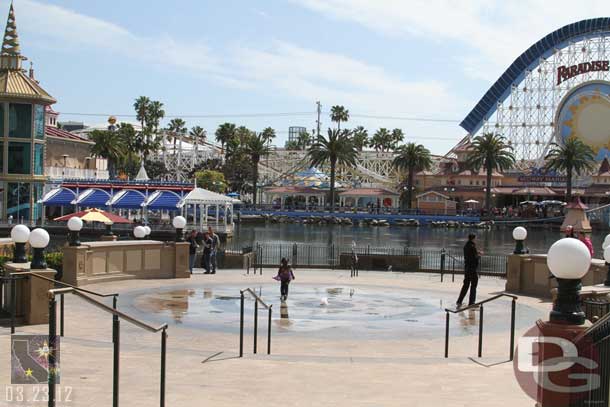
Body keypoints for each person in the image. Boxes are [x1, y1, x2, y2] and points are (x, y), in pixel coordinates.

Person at [456, 234, 481, 308]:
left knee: (465, 285)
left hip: (467, 268)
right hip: (472, 269)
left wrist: (477, 253)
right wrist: (479, 256)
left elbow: (469, 255)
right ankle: (472, 302)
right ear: (473, 238)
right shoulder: (473, 247)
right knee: (473, 285)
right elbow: (474, 258)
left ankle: (459, 301)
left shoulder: (465, 246)